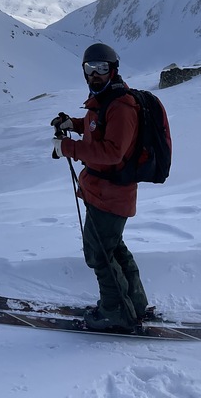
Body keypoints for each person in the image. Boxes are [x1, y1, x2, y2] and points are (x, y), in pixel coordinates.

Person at [51, 42, 150, 332]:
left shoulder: (121, 105)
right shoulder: (105, 100)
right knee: (111, 247)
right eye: (89, 68)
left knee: (99, 254)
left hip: (112, 193)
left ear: (113, 69)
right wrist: (76, 124)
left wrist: (67, 147)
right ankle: (134, 303)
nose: (95, 73)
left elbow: (112, 152)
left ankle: (115, 312)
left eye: (101, 68)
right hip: (103, 191)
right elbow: (99, 126)